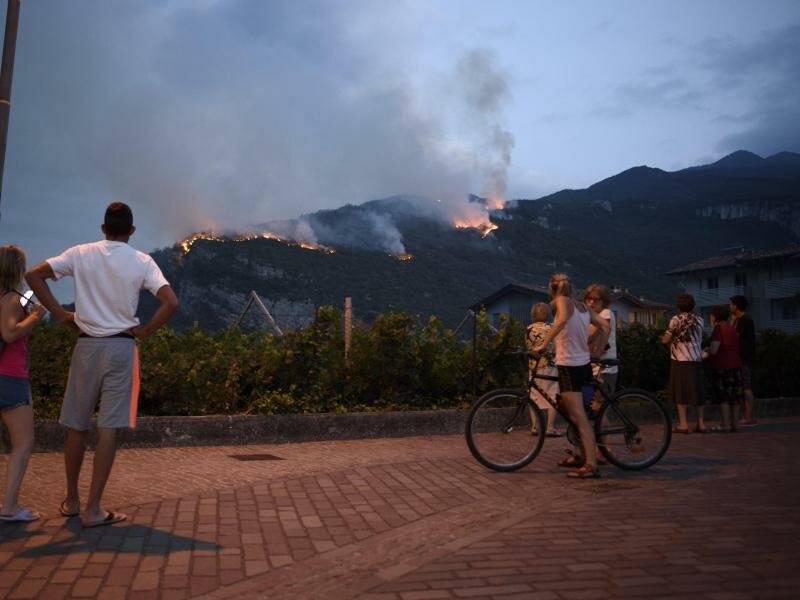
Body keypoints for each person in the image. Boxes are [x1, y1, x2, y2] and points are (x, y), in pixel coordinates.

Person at [26, 202, 179, 528]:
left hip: (86, 345)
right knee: (108, 428)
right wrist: (147, 330)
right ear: (132, 231)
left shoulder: (81, 253)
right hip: (122, 347)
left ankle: (72, 500)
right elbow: (171, 302)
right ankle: (94, 509)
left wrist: (59, 312)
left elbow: (33, 274)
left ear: (103, 228)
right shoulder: (143, 261)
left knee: (76, 425)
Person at [534, 273, 609, 479]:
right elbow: (605, 326)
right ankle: (580, 455)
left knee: (579, 417)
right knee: (571, 411)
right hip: (583, 365)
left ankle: (591, 465)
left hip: (569, 366)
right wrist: (597, 350)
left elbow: (563, 320)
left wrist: (543, 344)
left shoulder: (562, 301)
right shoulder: (582, 306)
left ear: (552, 289)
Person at [0, 246, 47, 522]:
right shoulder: (12, 300)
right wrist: (35, 317)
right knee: (23, 442)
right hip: (10, 377)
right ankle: (9, 507)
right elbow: (8, 333)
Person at [662, 293, 706, 433]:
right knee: (697, 391)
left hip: (680, 359)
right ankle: (701, 423)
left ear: (678, 306)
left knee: (680, 392)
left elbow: (666, 339)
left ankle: (683, 424)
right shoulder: (700, 320)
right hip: (696, 359)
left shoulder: (675, 319)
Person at [704, 305, 743, 433]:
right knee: (735, 397)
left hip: (722, 366)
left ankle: (725, 425)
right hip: (736, 366)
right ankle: (735, 424)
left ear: (715, 316)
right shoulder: (732, 328)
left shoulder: (718, 329)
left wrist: (706, 351)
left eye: (711, 314)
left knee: (724, 397)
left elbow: (714, 349)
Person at [525, 302, 562, 437]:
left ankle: (535, 427)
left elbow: (529, 347)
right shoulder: (552, 328)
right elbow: (557, 347)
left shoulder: (528, 328)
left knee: (534, 395)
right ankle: (550, 427)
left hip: (534, 366)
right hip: (551, 365)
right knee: (552, 395)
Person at [584, 284, 618, 398]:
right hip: (594, 366)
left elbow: (589, 336)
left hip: (605, 368)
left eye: (596, 299)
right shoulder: (592, 317)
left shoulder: (605, 313)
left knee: (600, 405)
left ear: (603, 301)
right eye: (589, 299)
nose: (591, 303)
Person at [730, 295, 757, 427]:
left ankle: (749, 418)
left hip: (744, 358)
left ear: (736, 306)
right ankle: (750, 416)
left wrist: (733, 321)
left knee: (746, 388)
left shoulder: (744, 320)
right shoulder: (746, 319)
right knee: (744, 387)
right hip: (745, 358)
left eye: (731, 304)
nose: (730, 307)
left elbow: (733, 336)